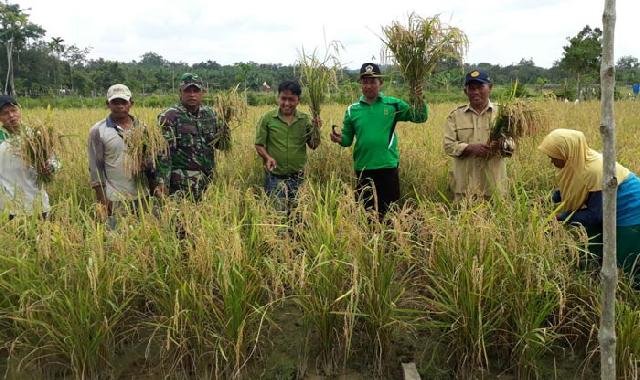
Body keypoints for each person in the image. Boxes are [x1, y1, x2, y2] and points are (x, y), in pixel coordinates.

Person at [538, 128, 640, 284]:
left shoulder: (595, 170)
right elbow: (574, 186)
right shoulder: (578, 160)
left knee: (623, 264)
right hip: (605, 207)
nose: (552, 162)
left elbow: (594, 215)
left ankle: (630, 294)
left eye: (554, 157)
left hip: (630, 207)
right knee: (589, 246)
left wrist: (560, 217)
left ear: (568, 152)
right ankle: (593, 276)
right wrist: (549, 198)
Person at [329, 63, 428, 216]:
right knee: (367, 214)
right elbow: (347, 139)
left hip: (387, 167)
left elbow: (420, 117)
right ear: (361, 84)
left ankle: (392, 240)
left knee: (391, 213)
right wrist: (339, 139)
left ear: (380, 83)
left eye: (373, 81)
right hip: (363, 168)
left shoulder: (393, 104)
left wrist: (419, 98)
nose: (368, 86)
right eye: (365, 82)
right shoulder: (352, 110)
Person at [154, 73, 228, 202]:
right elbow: (163, 154)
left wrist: (226, 125)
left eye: (196, 90)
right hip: (181, 183)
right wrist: (162, 183)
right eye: (187, 90)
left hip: (207, 181)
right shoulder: (169, 116)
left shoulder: (212, 115)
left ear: (203, 92)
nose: (192, 94)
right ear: (180, 92)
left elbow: (222, 146)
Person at [443, 69, 515, 200]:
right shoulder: (455, 115)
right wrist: (470, 148)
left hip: (494, 186)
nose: (476, 92)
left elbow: (512, 146)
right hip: (464, 187)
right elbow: (448, 146)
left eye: (481, 87)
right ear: (466, 91)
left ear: (490, 88)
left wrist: (500, 145)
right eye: (471, 88)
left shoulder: (503, 114)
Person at [88, 84, 149, 226]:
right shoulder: (98, 131)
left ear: (131, 104)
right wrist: (103, 201)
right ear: (108, 104)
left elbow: (151, 159)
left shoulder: (143, 128)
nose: (120, 106)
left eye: (123, 102)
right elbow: (95, 169)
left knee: (145, 238)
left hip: (143, 195)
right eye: (115, 102)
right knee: (118, 241)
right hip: (115, 197)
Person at [254, 80, 320, 211]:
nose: (287, 103)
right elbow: (259, 145)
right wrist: (268, 158)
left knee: (298, 217)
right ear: (278, 98)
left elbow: (313, 145)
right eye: (283, 98)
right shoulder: (268, 118)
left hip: (298, 178)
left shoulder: (305, 120)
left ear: (298, 100)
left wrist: (316, 129)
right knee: (276, 217)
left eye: (291, 99)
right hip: (274, 178)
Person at [0, 95, 56, 219]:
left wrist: (49, 168)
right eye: (5, 113)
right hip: (10, 209)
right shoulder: (0, 139)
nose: (11, 116)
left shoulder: (36, 135)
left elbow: (54, 161)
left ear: (20, 111)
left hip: (39, 205)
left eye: (14, 110)